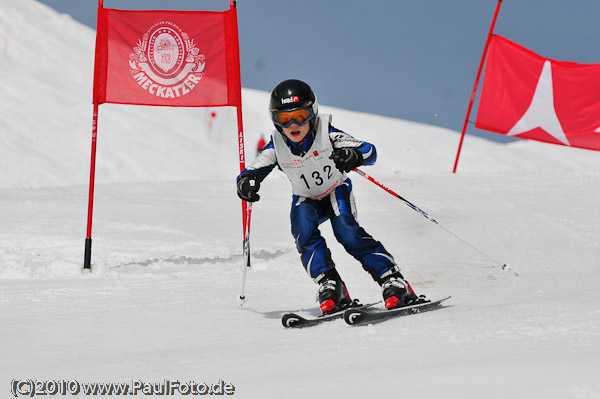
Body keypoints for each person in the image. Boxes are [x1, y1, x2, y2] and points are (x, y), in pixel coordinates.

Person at [236, 79, 421, 315]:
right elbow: (252, 171)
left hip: (335, 190)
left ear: (312, 114)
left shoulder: (327, 133)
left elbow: (369, 150)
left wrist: (352, 155)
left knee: (346, 231)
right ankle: (330, 284)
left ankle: (392, 279)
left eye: (300, 116)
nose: (293, 124)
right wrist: (246, 183)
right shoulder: (276, 145)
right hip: (306, 198)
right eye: (284, 119)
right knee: (302, 229)